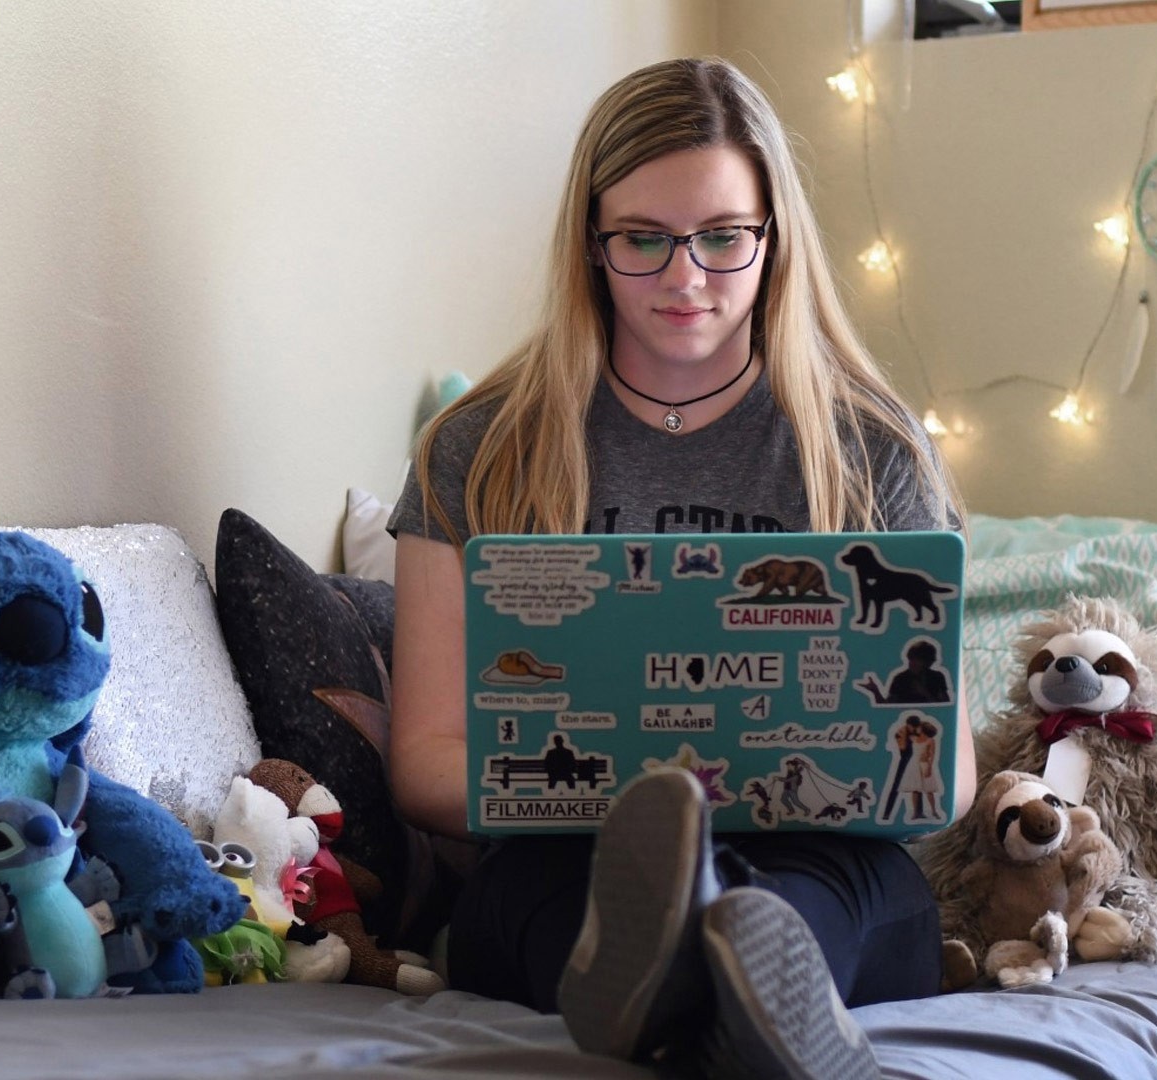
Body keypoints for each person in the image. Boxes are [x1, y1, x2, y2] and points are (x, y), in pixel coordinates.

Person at [386, 57, 972, 1079]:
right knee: (536, 897)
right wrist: (610, 797)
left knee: (834, 893)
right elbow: (426, 761)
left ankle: (702, 982)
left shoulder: (872, 445)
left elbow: (948, 772)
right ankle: (725, 1007)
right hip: (570, 859)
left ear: (772, 238)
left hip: (821, 851)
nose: (685, 277)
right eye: (643, 240)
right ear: (591, 240)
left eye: (721, 238)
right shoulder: (475, 445)